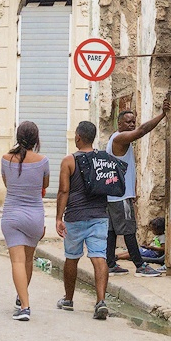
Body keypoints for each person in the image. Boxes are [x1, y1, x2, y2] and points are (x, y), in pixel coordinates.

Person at [105, 99, 170, 277]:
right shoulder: (120, 138)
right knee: (128, 230)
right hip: (120, 196)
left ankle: (110, 263)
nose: (132, 124)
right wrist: (163, 115)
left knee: (111, 230)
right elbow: (142, 131)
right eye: (128, 122)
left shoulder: (115, 138)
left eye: (133, 121)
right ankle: (140, 266)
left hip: (114, 194)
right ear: (119, 124)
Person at [55, 121, 111, 320]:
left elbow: (63, 191)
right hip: (99, 216)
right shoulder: (103, 158)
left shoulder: (69, 161)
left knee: (72, 257)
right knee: (99, 257)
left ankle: (68, 300)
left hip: (75, 217)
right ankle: (101, 301)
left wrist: (58, 218)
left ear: (78, 137)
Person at [1, 122, 49, 321]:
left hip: (12, 215)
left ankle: (25, 306)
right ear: (36, 139)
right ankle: (22, 299)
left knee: (17, 261)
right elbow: (44, 186)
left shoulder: (6, 159)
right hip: (35, 216)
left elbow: (6, 183)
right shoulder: (43, 161)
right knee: (28, 260)